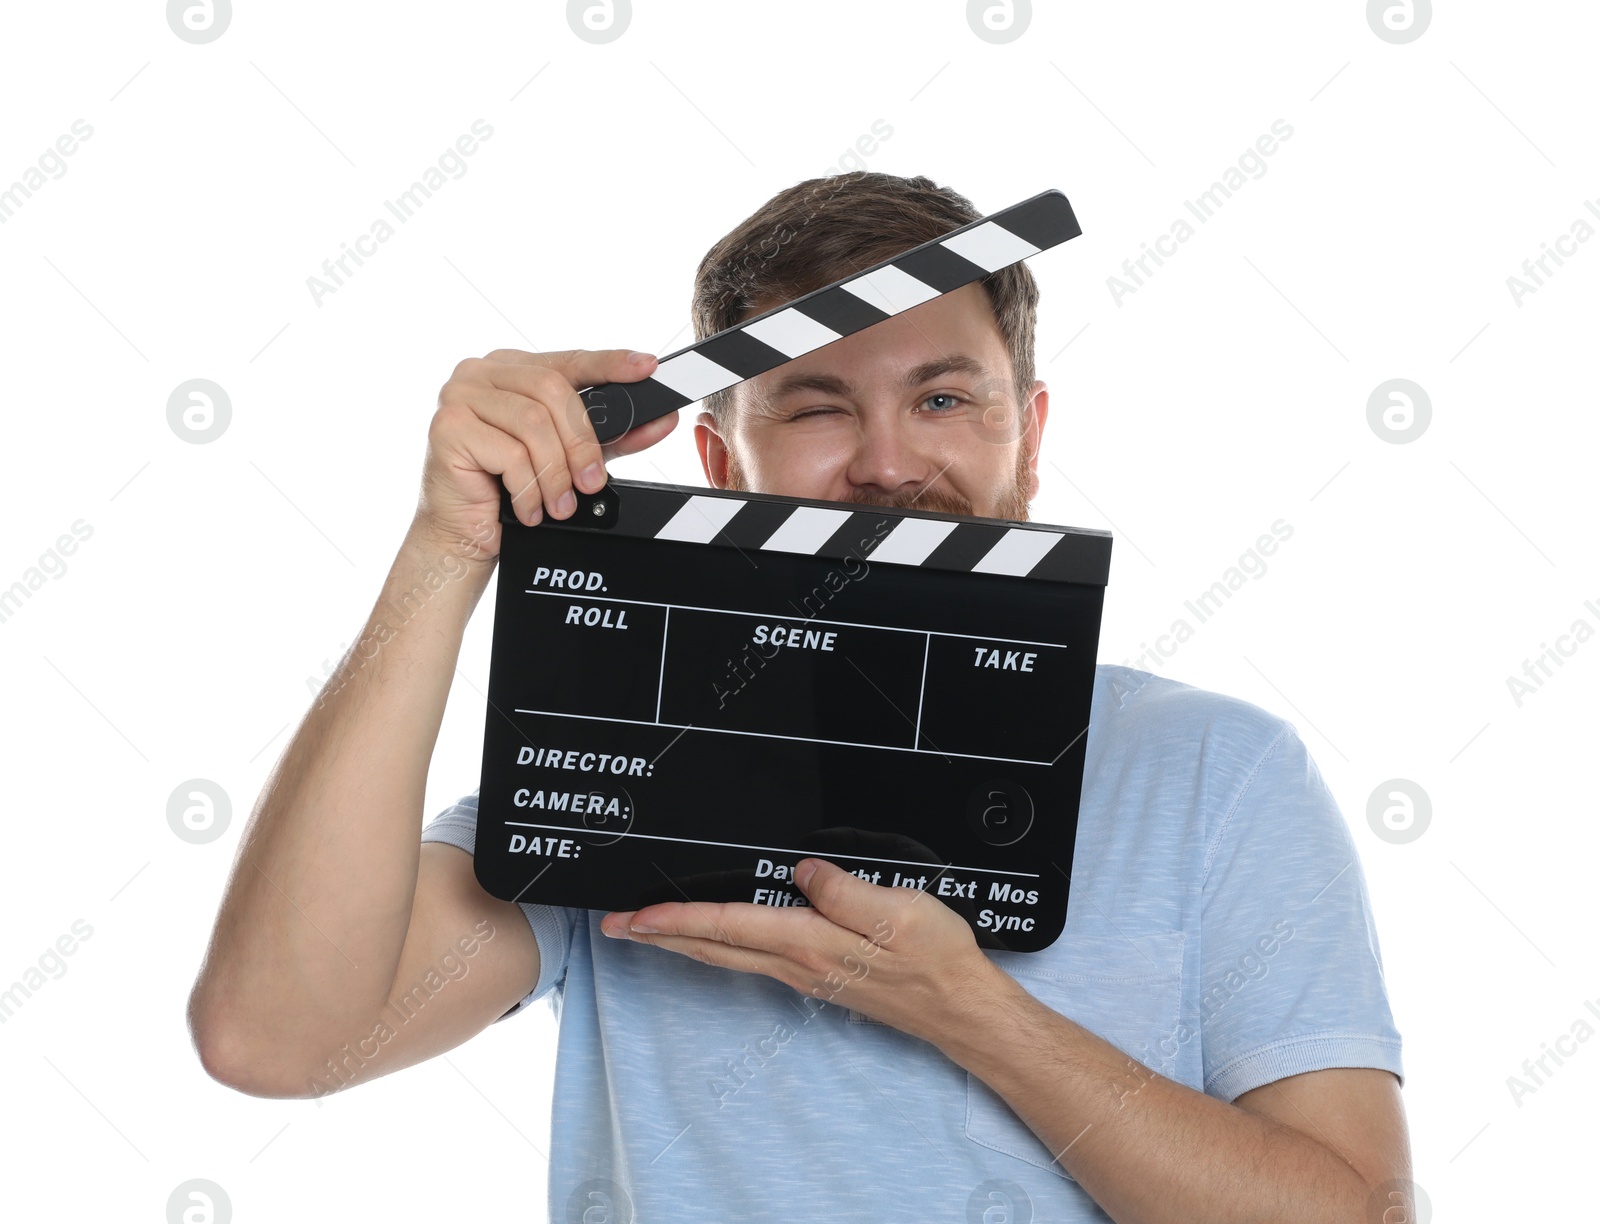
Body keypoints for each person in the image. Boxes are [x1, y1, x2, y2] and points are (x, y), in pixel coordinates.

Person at [189, 172, 1411, 1222]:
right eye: (818, 407)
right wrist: (446, 549)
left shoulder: (1216, 768)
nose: (884, 462)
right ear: (721, 466)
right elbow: (273, 1037)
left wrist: (967, 1010)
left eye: (943, 400)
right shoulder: (622, 771)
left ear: (1026, 443)